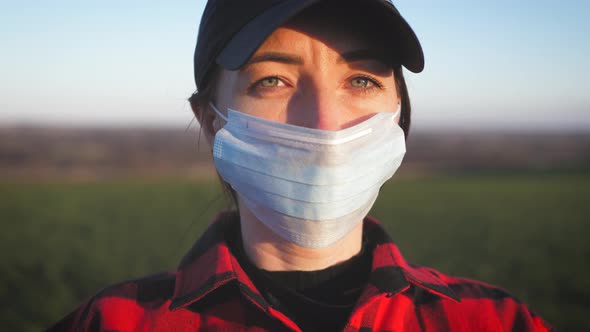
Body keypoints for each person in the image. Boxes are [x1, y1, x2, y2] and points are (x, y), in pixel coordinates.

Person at [49, 0, 553, 331]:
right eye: (272, 81)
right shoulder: (117, 321)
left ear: (399, 110)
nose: (324, 123)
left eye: (361, 80)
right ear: (210, 120)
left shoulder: (492, 320)